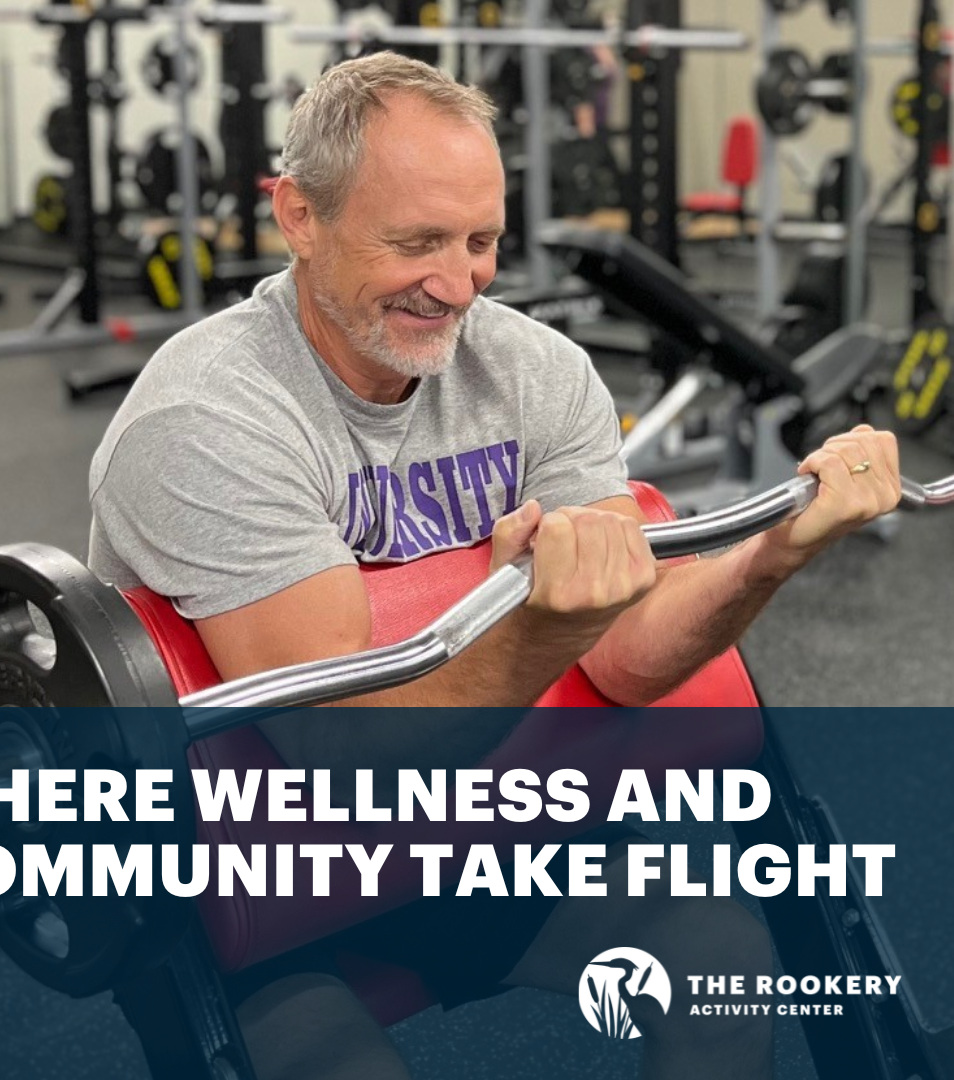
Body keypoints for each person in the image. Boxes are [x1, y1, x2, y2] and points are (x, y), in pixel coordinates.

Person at [89, 52, 901, 1080]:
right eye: (416, 241)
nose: (456, 281)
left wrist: (774, 553)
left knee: (719, 960)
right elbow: (340, 770)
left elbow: (630, 659)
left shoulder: (534, 370)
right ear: (298, 215)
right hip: (252, 882)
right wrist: (544, 625)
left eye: (481, 242)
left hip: (475, 826)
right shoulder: (209, 417)